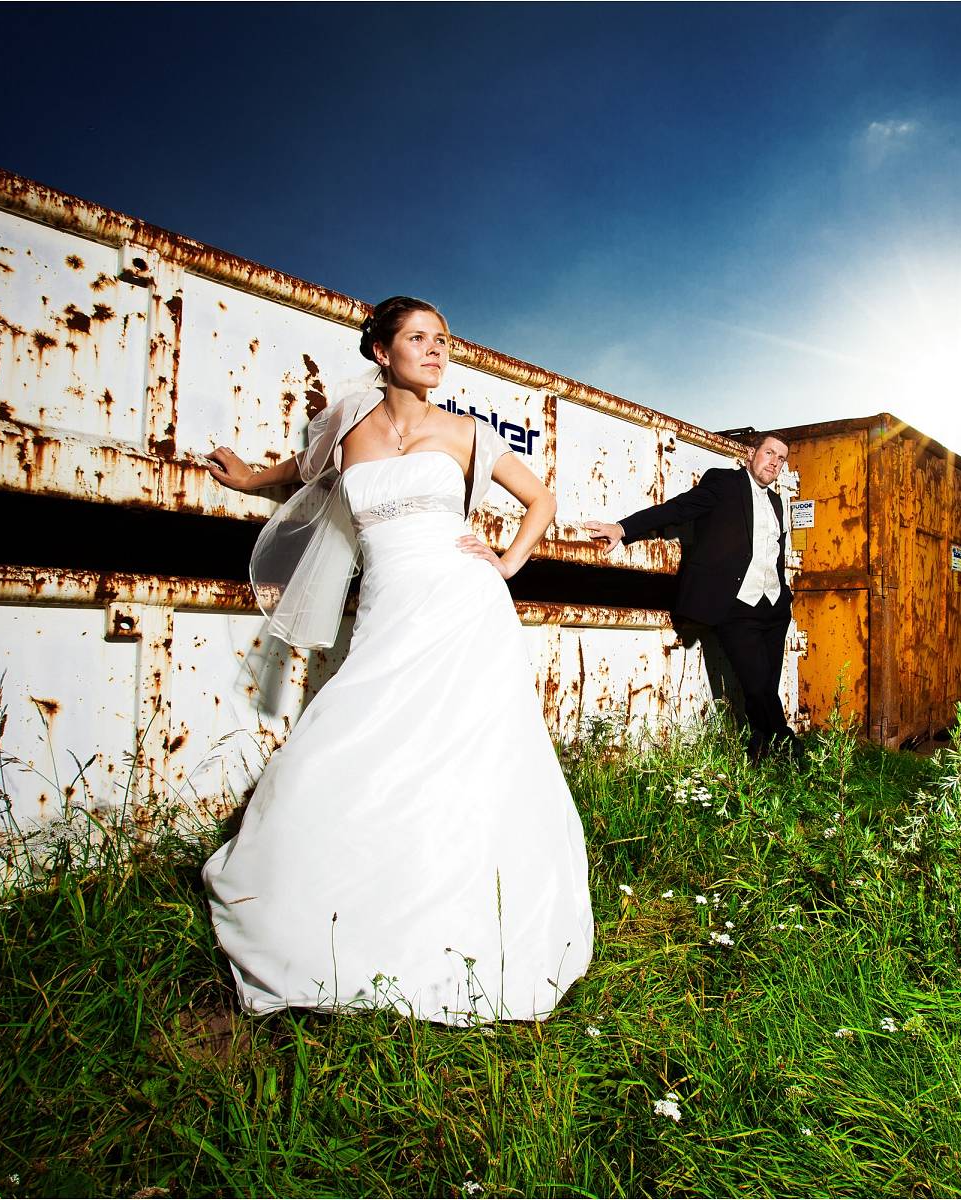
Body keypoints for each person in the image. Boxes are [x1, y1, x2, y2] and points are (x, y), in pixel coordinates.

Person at [198, 296, 593, 1026]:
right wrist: (249, 478)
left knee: (470, 754)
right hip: (389, 607)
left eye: (443, 339)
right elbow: (303, 472)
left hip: (466, 606)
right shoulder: (347, 424)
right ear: (381, 352)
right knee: (356, 737)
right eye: (420, 338)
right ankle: (333, 905)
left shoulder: (468, 432)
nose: (438, 350)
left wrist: (506, 562)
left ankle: (473, 919)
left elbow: (542, 499)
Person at [583, 435, 800, 760]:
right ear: (752, 454)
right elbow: (677, 509)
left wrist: (784, 597)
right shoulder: (724, 483)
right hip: (738, 609)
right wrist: (623, 528)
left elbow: (774, 554)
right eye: (769, 453)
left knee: (765, 688)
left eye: (781, 458)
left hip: (775, 610)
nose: (774, 462)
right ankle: (791, 750)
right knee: (758, 687)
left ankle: (760, 756)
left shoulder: (777, 503)